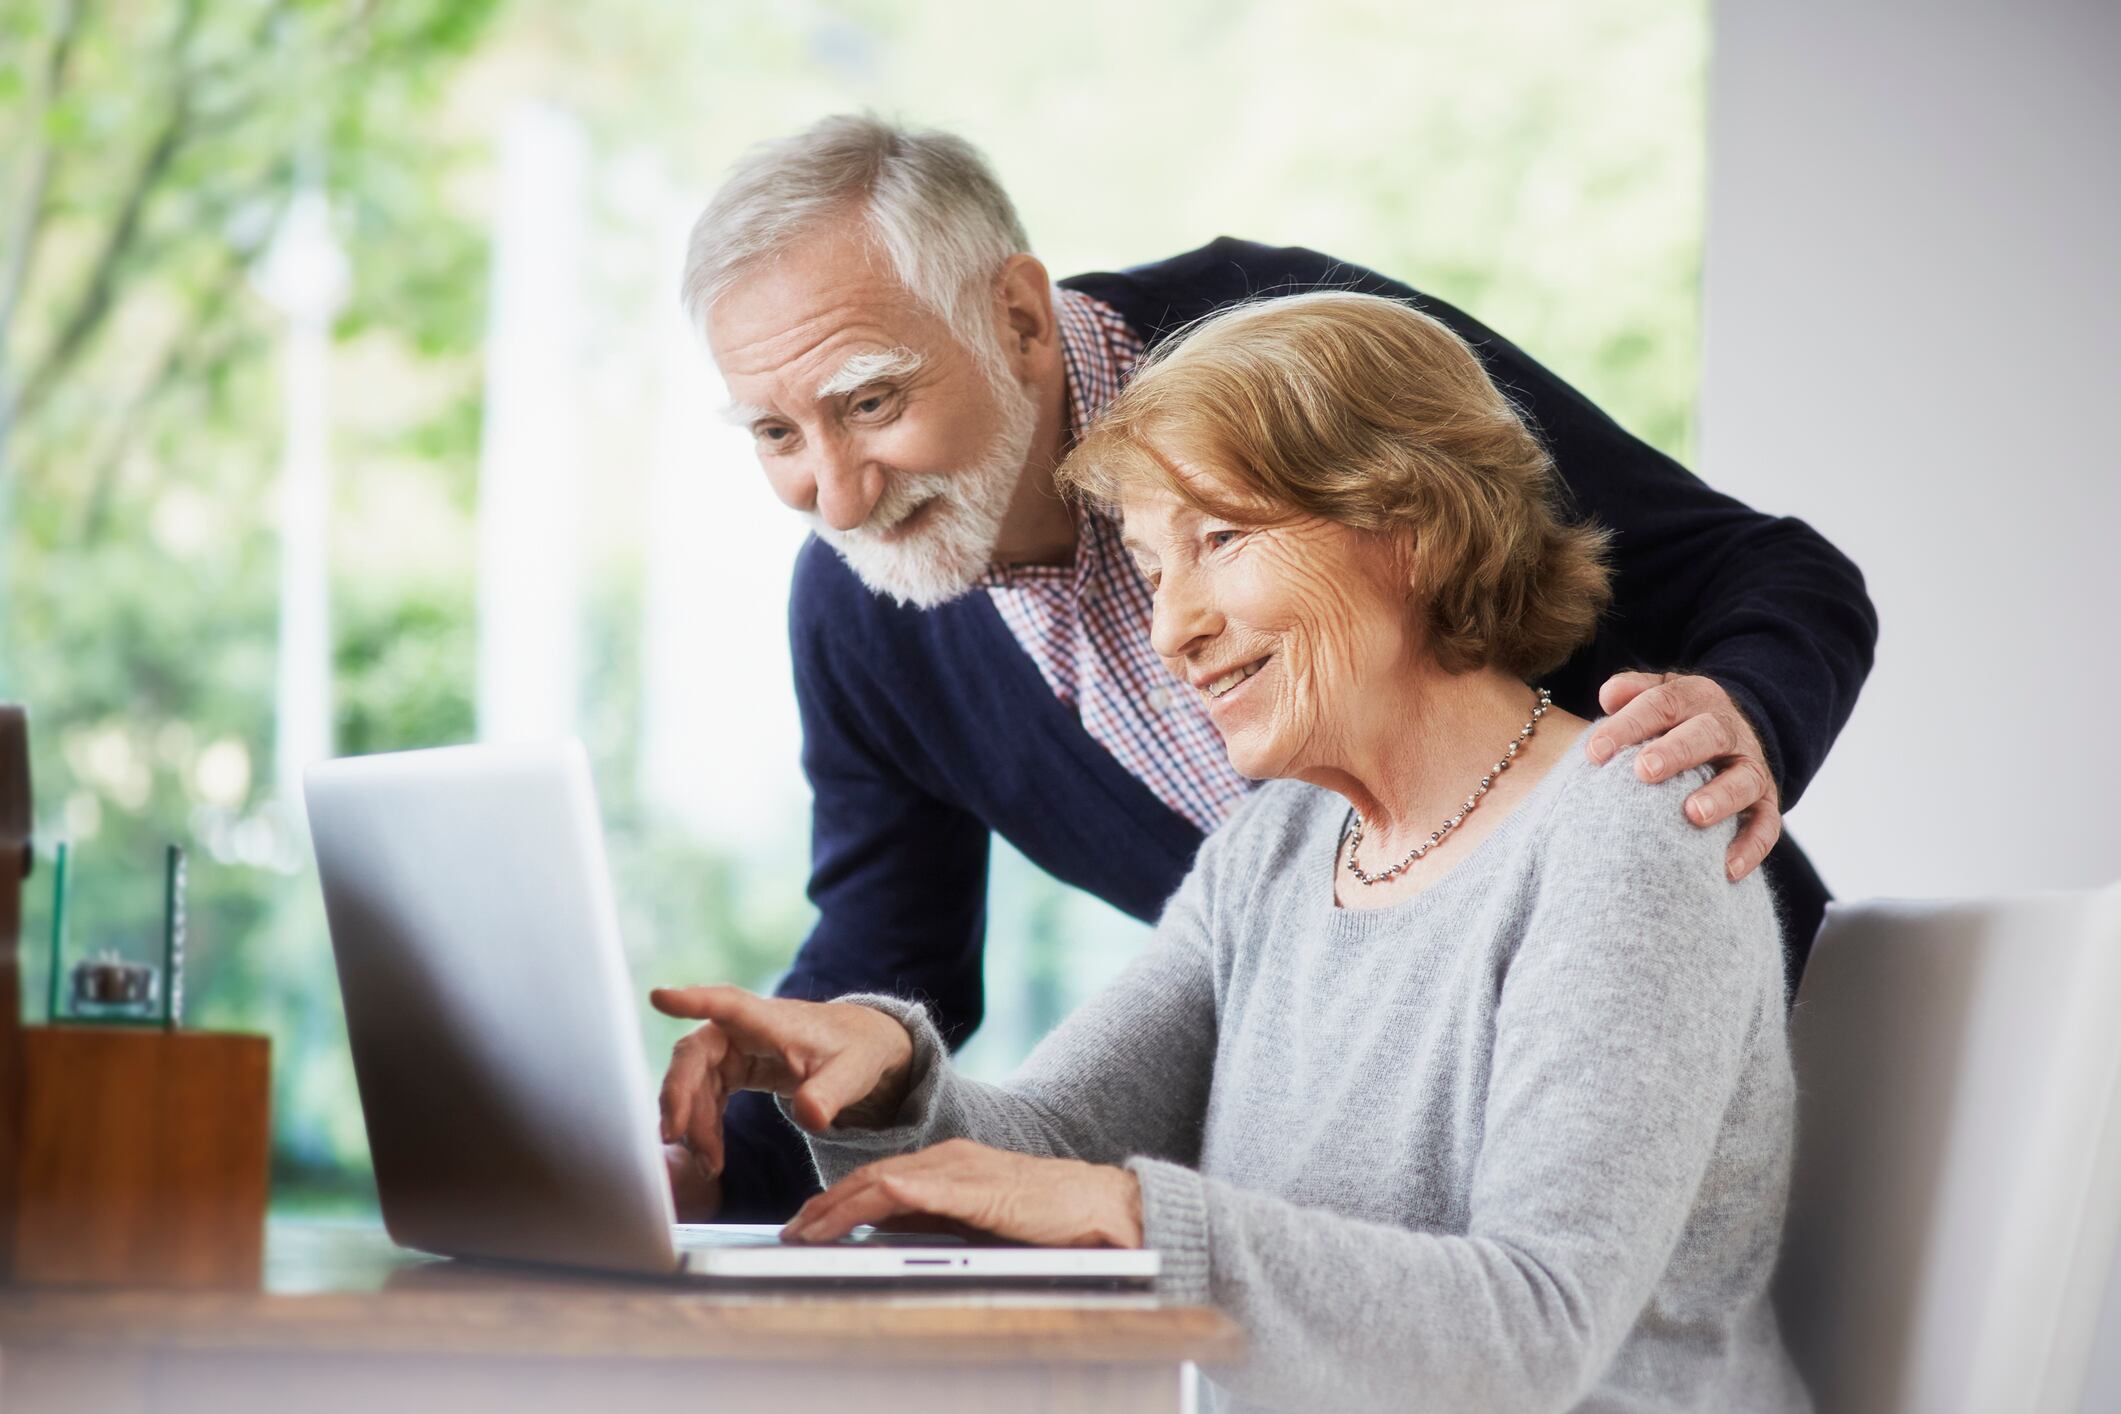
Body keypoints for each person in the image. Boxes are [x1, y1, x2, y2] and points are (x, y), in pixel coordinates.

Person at [677, 114, 1877, 1221]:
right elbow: (890, 960)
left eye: (872, 402)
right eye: (777, 432)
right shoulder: (868, 608)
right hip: (1361, 1203)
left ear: (1021, 321)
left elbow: (1770, 572)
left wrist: (1737, 721)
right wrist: (696, 1165)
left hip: (1688, 1069)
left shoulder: (1294, 352)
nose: (836, 498)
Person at [652, 292, 1811, 1413]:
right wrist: (887, 1076)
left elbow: (1534, 1329)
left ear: (1412, 530)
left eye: (1221, 539)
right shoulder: (1278, 846)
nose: (1174, 628)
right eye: (1155, 569)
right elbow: (1049, 1150)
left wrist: (1134, 1218)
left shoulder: (1628, 830)